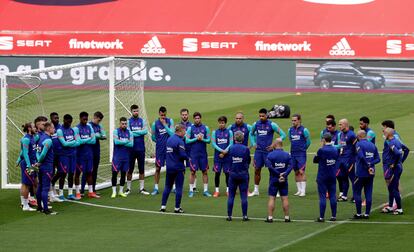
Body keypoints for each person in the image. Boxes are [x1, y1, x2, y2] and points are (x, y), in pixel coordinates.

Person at [249, 108, 286, 197]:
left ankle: (275, 190)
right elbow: (251, 133)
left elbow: (283, 135)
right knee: (257, 170)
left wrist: (274, 144)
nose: (261, 117)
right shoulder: (256, 124)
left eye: (263, 116)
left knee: (272, 171)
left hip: (269, 152)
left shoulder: (272, 125)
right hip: (258, 152)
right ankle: (256, 190)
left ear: (267, 115)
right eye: (260, 116)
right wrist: (253, 143)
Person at [160, 124, 188, 213]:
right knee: (179, 187)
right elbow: (182, 155)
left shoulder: (169, 139)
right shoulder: (179, 141)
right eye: (184, 131)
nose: (185, 133)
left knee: (167, 187)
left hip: (169, 167)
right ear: (180, 131)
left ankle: (163, 206)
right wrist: (188, 158)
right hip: (178, 168)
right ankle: (177, 208)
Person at [381, 128, 409, 215]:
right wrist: (401, 161)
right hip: (396, 167)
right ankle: (390, 206)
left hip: (393, 168)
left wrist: (395, 163)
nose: (383, 134)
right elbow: (406, 150)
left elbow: (397, 153)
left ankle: (399, 209)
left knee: (394, 188)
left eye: (384, 132)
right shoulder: (397, 141)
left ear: (388, 134)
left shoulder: (391, 143)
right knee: (390, 188)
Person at [353, 130, 380, 219]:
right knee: (368, 192)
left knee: (357, 192)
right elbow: (378, 159)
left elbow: (361, 156)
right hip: (371, 173)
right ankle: (367, 214)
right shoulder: (372, 145)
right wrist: (371, 163)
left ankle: (359, 213)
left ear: (358, 136)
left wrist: (367, 164)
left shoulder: (359, 144)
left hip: (361, 173)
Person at [265, 139, 292, 223]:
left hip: (274, 179)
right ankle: (287, 217)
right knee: (285, 198)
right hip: (284, 180)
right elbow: (291, 165)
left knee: (272, 198)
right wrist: (284, 174)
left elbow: (269, 166)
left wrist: (277, 174)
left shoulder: (270, 155)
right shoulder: (287, 155)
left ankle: (270, 217)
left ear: (276, 144)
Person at [313, 133, 339, 222]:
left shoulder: (321, 150)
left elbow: (315, 160)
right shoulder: (335, 150)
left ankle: (321, 217)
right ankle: (333, 216)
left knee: (323, 196)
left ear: (324, 140)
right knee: (332, 195)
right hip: (332, 175)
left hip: (322, 175)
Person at [226, 131, 251, 221]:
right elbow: (248, 160)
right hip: (243, 174)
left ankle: (229, 216)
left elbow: (229, 160)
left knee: (231, 196)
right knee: (244, 196)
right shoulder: (246, 149)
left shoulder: (231, 148)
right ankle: (244, 216)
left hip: (233, 174)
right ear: (243, 139)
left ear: (234, 139)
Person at [73, 111, 98, 199]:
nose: (85, 121)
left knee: (89, 173)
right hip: (80, 156)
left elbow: (94, 140)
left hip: (89, 154)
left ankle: (91, 192)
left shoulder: (89, 127)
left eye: (86, 119)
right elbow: (78, 142)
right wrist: (88, 139)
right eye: (84, 119)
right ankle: (78, 192)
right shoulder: (76, 128)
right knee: (78, 173)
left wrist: (84, 140)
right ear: (80, 118)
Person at [186, 112, 212, 197]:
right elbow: (187, 140)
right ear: (193, 119)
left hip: (203, 154)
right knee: (192, 172)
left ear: (200, 118)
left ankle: (205, 190)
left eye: (198, 118)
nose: (197, 120)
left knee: (204, 172)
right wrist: (196, 138)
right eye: (195, 118)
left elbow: (208, 140)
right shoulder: (190, 129)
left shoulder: (206, 128)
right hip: (193, 154)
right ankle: (191, 190)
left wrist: (202, 139)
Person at [54, 114, 79, 200]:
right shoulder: (60, 131)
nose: (68, 123)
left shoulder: (72, 130)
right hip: (63, 156)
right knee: (63, 174)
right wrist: (73, 142)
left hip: (72, 155)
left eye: (70, 122)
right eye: (67, 121)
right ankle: (61, 194)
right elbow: (64, 144)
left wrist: (70, 143)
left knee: (71, 174)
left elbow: (78, 142)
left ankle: (70, 194)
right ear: (64, 120)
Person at [151, 106, 174, 195]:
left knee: (171, 168)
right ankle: (156, 188)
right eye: (162, 115)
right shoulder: (155, 124)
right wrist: (160, 142)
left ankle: (173, 187)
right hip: (160, 149)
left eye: (164, 115)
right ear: (159, 113)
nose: (163, 117)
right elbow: (153, 137)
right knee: (158, 168)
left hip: (169, 149)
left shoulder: (170, 121)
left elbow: (172, 134)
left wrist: (165, 125)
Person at [126, 105, 149, 195]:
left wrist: (134, 132)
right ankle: (128, 189)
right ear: (131, 111)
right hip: (131, 149)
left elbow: (145, 131)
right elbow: (129, 134)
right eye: (134, 111)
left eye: (137, 111)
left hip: (141, 149)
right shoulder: (128, 121)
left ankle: (142, 188)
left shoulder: (142, 121)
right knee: (130, 169)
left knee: (141, 169)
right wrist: (139, 132)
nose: (136, 112)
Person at [82, 111, 106, 194]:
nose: (99, 122)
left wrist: (97, 135)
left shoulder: (99, 126)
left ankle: (93, 189)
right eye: (98, 120)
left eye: (100, 121)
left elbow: (104, 135)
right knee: (87, 170)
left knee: (95, 169)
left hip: (96, 150)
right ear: (94, 117)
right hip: (88, 150)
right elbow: (95, 135)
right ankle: (82, 190)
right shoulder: (88, 125)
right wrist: (98, 135)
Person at [35, 122, 57, 215]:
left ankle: (39, 207)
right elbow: (43, 153)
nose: (54, 130)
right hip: (46, 166)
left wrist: (38, 162)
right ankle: (46, 209)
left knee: (40, 186)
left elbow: (37, 151)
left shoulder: (40, 138)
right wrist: (39, 162)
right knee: (45, 188)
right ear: (48, 129)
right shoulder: (48, 140)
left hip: (41, 167)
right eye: (53, 128)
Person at [288, 114, 311, 197]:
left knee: (301, 171)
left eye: (295, 120)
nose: (293, 122)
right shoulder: (290, 130)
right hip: (293, 153)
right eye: (292, 120)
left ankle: (303, 191)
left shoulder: (304, 130)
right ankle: (299, 190)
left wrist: (303, 149)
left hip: (301, 154)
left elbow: (308, 141)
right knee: (296, 172)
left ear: (299, 120)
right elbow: (291, 140)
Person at [17, 122, 38, 211]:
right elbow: (25, 153)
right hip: (27, 164)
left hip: (33, 163)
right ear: (29, 128)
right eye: (34, 127)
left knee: (34, 182)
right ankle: (25, 205)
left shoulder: (33, 137)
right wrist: (29, 166)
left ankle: (30, 202)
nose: (35, 128)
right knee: (26, 184)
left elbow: (32, 151)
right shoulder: (26, 139)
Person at [111, 117, 134, 198]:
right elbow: (116, 142)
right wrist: (126, 141)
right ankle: (114, 191)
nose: (124, 125)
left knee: (124, 174)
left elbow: (131, 144)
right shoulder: (115, 131)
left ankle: (120, 191)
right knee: (114, 174)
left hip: (126, 157)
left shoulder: (130, 133)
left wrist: (122, 142)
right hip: (117, 157)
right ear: (120, 124)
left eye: (125, 124)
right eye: (122, 124)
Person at [335, 119, 357, 202]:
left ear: (345, 125)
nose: (339, 126)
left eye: (340, 124)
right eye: (339, 124)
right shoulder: (341, 135)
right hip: (342, 159)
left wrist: (354, 158)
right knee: (343, 177)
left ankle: (355, 196)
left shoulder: (352, 135)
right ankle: (344, 196)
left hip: (349, 160)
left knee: (353, 178)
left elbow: (356, 147)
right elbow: (342, 146)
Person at [211, 116, 233, 197]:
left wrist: (225, 151)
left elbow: (231, 143)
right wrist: (221, 151)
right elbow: (213, 144)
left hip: (227, 157)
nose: (221, 124)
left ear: (225, 123)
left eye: (223, 123)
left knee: (227, 174)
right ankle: (217, 191)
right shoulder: (214, 132)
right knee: (217, 173)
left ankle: (228, 190)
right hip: (218, 157)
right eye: (220, 123)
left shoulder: (229, 132)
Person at [180, 108, 195, 192]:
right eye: (183, 115)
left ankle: (193, 186)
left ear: (188, 115)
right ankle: (179, 186)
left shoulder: (192, 126)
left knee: (192, 168)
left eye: (186, 114)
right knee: (180, 168)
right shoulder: (178, 126)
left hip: (190, 149)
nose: (184, 116)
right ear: (181, 115)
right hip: (181, 150)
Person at [49, 112, 63, 202]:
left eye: (57, 118)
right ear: (51, 119)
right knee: (51, 172)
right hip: (51, 155)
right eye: (55, 118)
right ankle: (51, 191)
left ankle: (53, 184)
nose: (57, 119)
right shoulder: (49, 128)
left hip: (60, 154)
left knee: (61, 171)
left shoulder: (61, 127)